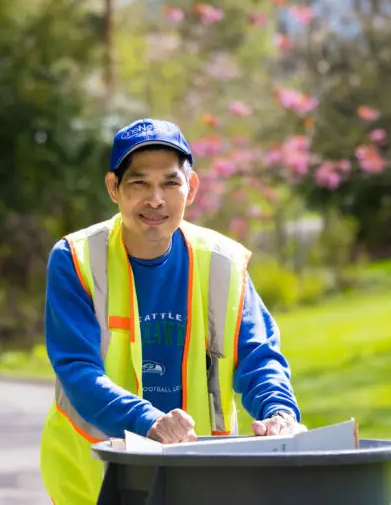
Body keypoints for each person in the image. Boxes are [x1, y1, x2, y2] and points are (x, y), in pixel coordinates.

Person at [39, 118, 305, 504]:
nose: (155, 199)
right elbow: (78, 370)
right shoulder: (76, 259)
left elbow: (258, 357)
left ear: (191, 187)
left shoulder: (222, 263)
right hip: (95, 476)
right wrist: (148, 421)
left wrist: (280, 411)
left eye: (169, 182)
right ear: (113, 187)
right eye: (139, 183)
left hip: (200, 478)